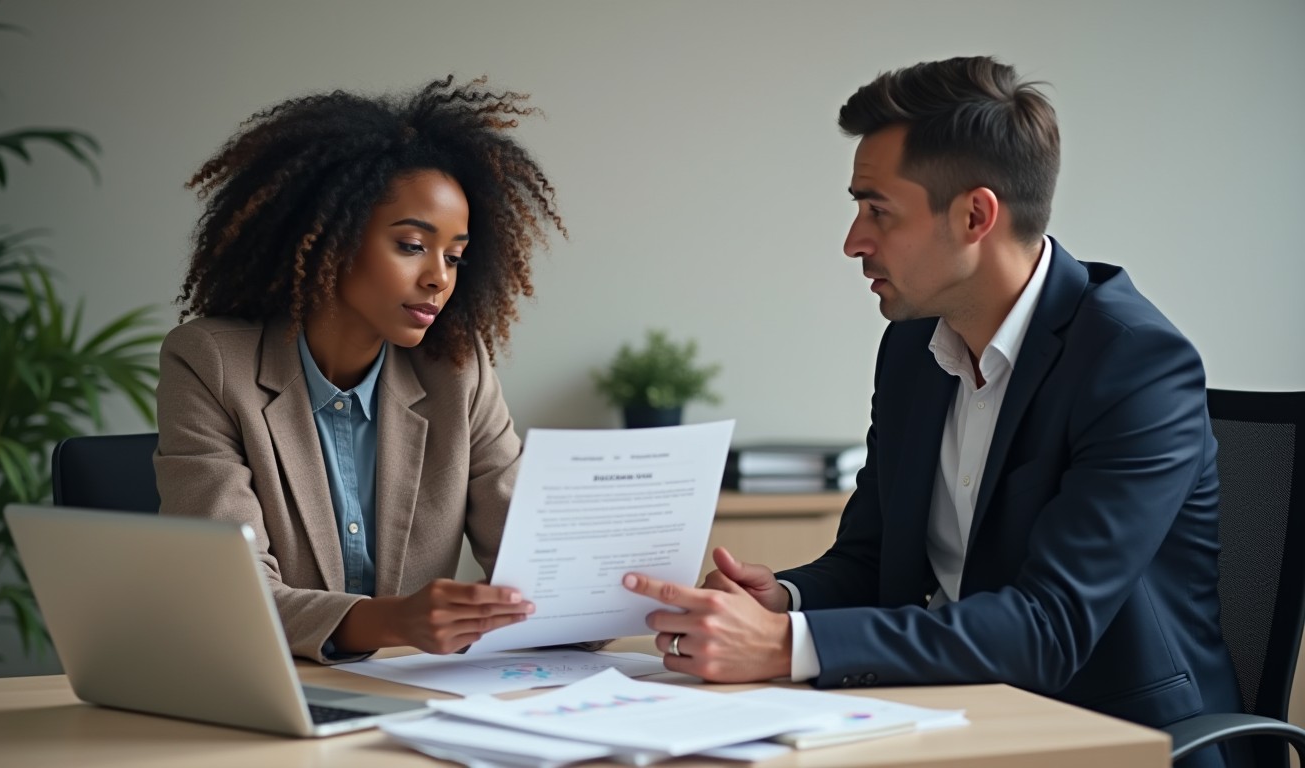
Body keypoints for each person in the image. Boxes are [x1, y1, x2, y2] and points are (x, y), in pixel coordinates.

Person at [623, 56, 1241, 764]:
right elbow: (872, 560)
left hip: (1107, 738)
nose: (854, 240)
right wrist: (785, 602)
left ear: (975, 215)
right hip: (954, 715)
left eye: (878, 210)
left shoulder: (1135, 365)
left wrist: (787, 648)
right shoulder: (914, 350)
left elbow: (1050, 627)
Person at [156, 76, 565, 664]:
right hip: (262, 698)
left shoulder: (456, 371)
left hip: (412, 707)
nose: (439, 278)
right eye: (410, 245)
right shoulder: (210, 364)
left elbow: (540, 567)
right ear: (328, 237)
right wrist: (393, 620)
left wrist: (660, 602)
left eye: (454, 256)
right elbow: (231, 596)